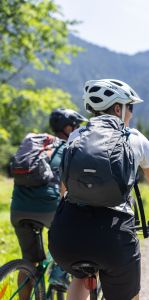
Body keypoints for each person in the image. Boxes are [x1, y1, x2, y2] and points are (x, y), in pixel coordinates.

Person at [48, 79, 149, 300]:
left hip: (67, 237)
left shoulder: (76, 136)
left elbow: (65, 189)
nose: (131, 114)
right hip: (113, 239)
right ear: (118, 108)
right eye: (131, 107)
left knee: (80, 277)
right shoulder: (136, 139)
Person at [10, 108, 87, 300]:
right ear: (68, 128)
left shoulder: (37, 145)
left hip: (18, 209)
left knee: (30, 261)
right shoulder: (68, 147)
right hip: (49, 209)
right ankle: (59, 275)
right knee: (70, 239)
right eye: (75, 127)